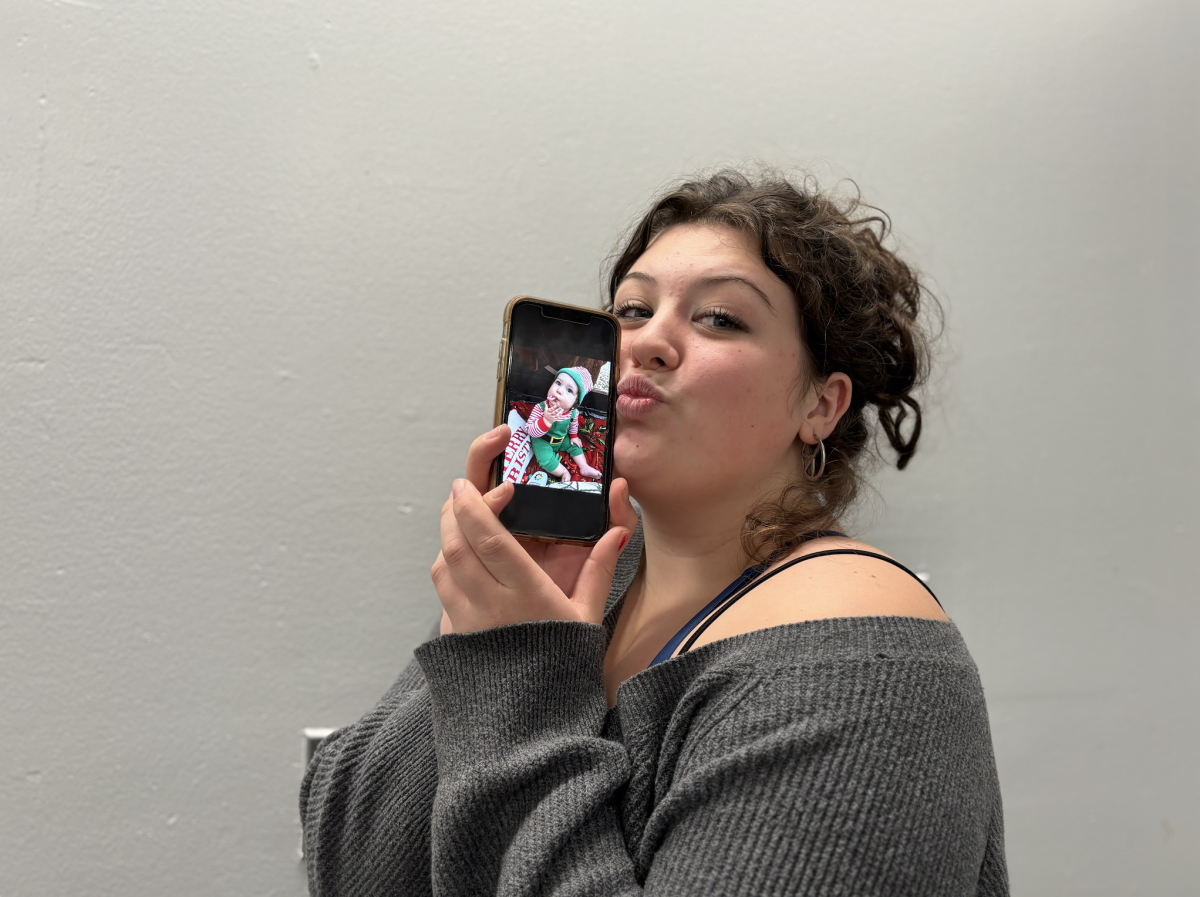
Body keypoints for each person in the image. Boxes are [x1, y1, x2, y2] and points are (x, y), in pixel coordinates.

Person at [300, 169, 1008, 896]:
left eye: (720, 319)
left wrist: (515, 670)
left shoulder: (867, 669)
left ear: (821, 406)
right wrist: (471, 639)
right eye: (632, 309)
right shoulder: (576, 579)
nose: (646, 342)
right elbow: (356, 866)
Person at [525, 366, 603, 483]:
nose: (559, 390)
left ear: (574, 404)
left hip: (561, 439)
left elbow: (573, 425)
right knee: (545, 458)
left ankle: (584, 467)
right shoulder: (541, 408)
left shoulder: (573, 412)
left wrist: (573, 436)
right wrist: (546, 421)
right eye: (558, 383)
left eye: (569, 390)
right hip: (542, 440)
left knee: (576, 446)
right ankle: (563, 472)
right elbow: (530, 430)